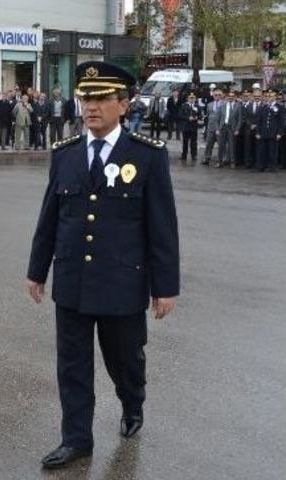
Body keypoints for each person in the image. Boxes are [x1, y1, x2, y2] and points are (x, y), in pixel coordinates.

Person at [27, 61, 179, 470]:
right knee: (72, 366)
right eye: (85, 99)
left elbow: (162, 227)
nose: (91, 107)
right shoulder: (66, 154)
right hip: (73, 280)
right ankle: (76, 439)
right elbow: (50, 216)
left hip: (121, 282)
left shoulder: (146, 156)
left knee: (125, 359)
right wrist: (37, 269)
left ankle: (132, 402)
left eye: (101, 99)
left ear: (123, 105)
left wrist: (165, 287)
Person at [253, 90, 283, 172]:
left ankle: (272, 166)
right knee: (262, 150)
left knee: (272, 151)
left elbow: (281, 121)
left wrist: (279, 133)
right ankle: (261, 166)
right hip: (263, 132)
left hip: (273, 133)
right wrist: (257, 132)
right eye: (269, 96)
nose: (270, 98)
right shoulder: (263, 107)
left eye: (272, 96)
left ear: (275, 97)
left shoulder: (279, 107)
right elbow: (259, 121)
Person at [216, 90, 243, 168]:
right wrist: (217, 129)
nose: (230, 98)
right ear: (227, 97)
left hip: (232, 128)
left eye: (232, 96)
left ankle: (232, 162)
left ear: (235, 97)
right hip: (223, 127)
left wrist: (237, 129)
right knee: (221, 146)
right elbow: (217, 118)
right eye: (229, 96)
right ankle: (219, 162)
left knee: (232, 146)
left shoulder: (238, 106)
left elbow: (239, 119)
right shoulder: (222, 105)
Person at [178, 92, 201, 165]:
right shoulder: (184, 105)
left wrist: (197, 117)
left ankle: (194, 155)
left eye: (193, 98)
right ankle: (184, 155)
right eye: (190, 98)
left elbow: (200, 115)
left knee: (194, 142)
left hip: (194, 126)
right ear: (188, 99)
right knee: (185, 142)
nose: (192, 99)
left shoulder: (197, 106)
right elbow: (180, 115)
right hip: (186, 126)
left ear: (195, 99)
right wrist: (188, 118)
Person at [202, 89, 223, 165]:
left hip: (220, 128)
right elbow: (208, 115)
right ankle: (206, 158)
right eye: (215, 95)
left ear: (221, 96)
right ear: (213, 96)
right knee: (208, 144)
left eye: (219, 95)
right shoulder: (209, 104)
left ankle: (221, 160)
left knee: (221, 145)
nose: (217, 96)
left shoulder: (224, 104)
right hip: (210, 127)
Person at [242, 89, 262, 169]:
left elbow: (264, 118)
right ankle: (248, 163)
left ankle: (258, 163)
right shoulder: (248, 106)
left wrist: (256, 125)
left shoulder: (263, 106)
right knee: (248, 147)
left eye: (258, 96)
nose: (257, 97)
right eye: (255, 96)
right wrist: (250, 125)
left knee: (258, 148)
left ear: (261, 96)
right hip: (249, 130)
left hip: (259, 130)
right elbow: (245, 117)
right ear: (252, 96)